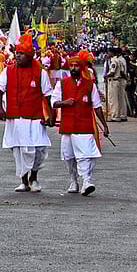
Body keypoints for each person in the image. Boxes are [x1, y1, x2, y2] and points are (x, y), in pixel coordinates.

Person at [0, 35, 54, 193]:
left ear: (29, 56)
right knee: (19, 149)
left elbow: (47, 95)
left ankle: (34, 177)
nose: (18, 56)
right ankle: (24, 181)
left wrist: (51, 114)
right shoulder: (8, 71)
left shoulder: (40, 73)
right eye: (17, 53)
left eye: (21, 54)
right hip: (15, 117)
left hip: (35, 117)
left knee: (39, 149)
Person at [52, 51, 110, 196]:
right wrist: (64, 103)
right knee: (69, 156)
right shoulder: (61, 84)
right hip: (68, 126)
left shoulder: (90, 85)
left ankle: (86, 181)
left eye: (76, 66)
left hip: (84, 126)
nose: (73, 68)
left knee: (85, 155)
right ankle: (73, 181)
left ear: (81, 67)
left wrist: (104, 125)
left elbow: (97, 107)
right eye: (71, 66)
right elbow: (53, 102)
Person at [106, 47, 131, 122]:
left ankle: (115, 115)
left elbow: (112, 72)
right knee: (120, 99)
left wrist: (106, 76)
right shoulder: (119, 60)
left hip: (114, 80)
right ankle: (121, 114)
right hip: (118, 80)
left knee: (113, 100)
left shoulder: (114, 61)